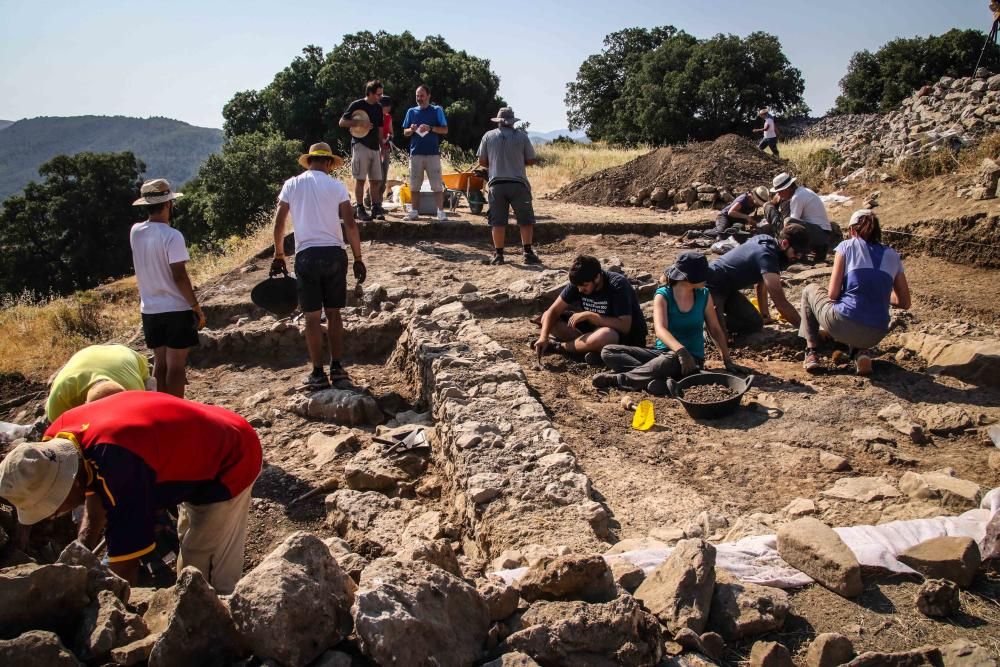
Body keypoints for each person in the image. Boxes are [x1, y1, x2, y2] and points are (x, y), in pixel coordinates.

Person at [0, 391, 262, 594]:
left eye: (53, 505)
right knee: (191, 545)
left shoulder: (118, 466)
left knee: (207, 570)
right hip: (190, 444)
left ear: (69, 483)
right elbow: (94, 490)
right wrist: (81, 553)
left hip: (231, 456)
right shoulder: (57, 439)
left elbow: (125, 567)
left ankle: (225, 624)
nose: (54, 514)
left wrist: (114, 618)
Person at [272, 143, 366, 389]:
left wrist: (279, 254)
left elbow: (279, 222)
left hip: (307, 255)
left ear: (310, 160)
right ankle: (337, 368)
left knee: (312, 317)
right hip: (335, 253)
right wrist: (358, 258)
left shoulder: (292, 184)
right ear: (328, 164)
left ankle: (317, 373)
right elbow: (350, 225)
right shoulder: (336, 186)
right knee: (334, 313)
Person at [592, 252, 746, 393]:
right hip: (665, 354)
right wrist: (681, 351)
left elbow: (715, 328)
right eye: (703, 275)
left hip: (691, 360)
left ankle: (621, 379)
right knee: (609, 351)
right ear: (688, 278)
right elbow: (660, 330)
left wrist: (727, 360)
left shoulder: (704, 295)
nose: (707, 278)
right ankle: (660, 380)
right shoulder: (663, 295)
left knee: (668, 360)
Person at [801, 209, 911, 376]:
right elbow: (905, 302)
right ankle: (861, 353)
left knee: (809, 290)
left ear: (852, 231)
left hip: (843, 324)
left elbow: (833, 294)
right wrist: (878, 294)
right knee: (862, 307)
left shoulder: (846, 247)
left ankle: (812, 353)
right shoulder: (893, 255)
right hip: (876, 333)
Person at [130, 178, 205, 399]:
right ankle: (176, 410)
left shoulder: (136, 232)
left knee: (159, 362)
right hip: (175, 307)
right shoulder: (173, 236)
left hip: (150, 308)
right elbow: (179, 275)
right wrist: (195, 306)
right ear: (168, 204)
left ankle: (159, 407)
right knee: (176, 365)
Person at [706, 224, 811, 336]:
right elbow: (781, 304)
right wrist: (808, 332)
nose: (799, 257)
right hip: (710, 287)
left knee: (754, 323)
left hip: (727, 289)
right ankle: (703, 323)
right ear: (785, 243)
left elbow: (761, 285)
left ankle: (712, 319)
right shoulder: (767, 256)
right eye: (797, 252)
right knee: (719, 334)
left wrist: (765, 316)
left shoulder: (767, 240)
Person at [534, 255, 647, 357]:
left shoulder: (617, 285)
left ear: (597, 277)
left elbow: (624, 326)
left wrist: (591, 316)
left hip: (623, 338)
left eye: (584, 286)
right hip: (591, 332)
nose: (580, 290)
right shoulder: (580, 281)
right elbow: (553, 311)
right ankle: (585, 349)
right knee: (546, 317)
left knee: (605, 336)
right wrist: (543, 337)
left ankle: (559, 347)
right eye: (577, 286)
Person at [477, 107, 540, 265]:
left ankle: (499, 254)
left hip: (496, 184)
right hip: (518, 184)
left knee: (497, 222)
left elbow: (481, 162)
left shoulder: (488, 136)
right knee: (525, 220)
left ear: (498, 121)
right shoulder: (522, 136)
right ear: (512, 122)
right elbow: (531, 160)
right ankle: (527, 252)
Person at [46, 344, 152, 421]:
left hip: (122, 353)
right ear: (85, 405)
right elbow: (56, 430)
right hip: (85, 355)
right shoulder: (61, 396)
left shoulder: (134, 390)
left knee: (149, 400)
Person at [402, 84, 448, 222]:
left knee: (436, 184)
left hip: (433, 153)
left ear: (428, 96)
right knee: (414, 184)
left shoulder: (437, 110)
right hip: (415, 153)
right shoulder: (411, 112)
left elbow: (445, 130)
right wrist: (411, 129)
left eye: (422, 95)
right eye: (417, 96)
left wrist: (431, 128)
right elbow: (405, 132)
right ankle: (414, 212)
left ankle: (440, 212)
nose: (419, 98)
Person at [340, 80, 385, 221]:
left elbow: (380, 127)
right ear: (370, 93)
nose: (380, 97)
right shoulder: (357, 105)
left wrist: (381, 145)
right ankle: (360, 208)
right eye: (378, 94)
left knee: (376, 180)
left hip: (374, 147)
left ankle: (376, 207)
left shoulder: (378, 107)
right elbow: (342, 122)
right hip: (360, 144)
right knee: (360, 179)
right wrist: (359, 123)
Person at [770, 172, 834, 262]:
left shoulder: (797, 197)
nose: (779, 195)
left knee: (789, 222)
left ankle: (793, 253)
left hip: (820, 234)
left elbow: (791, 226)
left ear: (787, 189)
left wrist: (782, 239)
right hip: (822, 232)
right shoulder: (802, 192)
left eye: (780, 192)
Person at [377, 94, 394, 205]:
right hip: (376, 148)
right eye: (386, 106)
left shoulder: (388, 117)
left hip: (386, 148)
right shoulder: (375, 117)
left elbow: (391, 132)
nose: (388, 108)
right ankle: (371, 198)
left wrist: (389, 137)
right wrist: (380, 141)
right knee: (378, 175)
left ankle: (380, 201)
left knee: (384, 175)